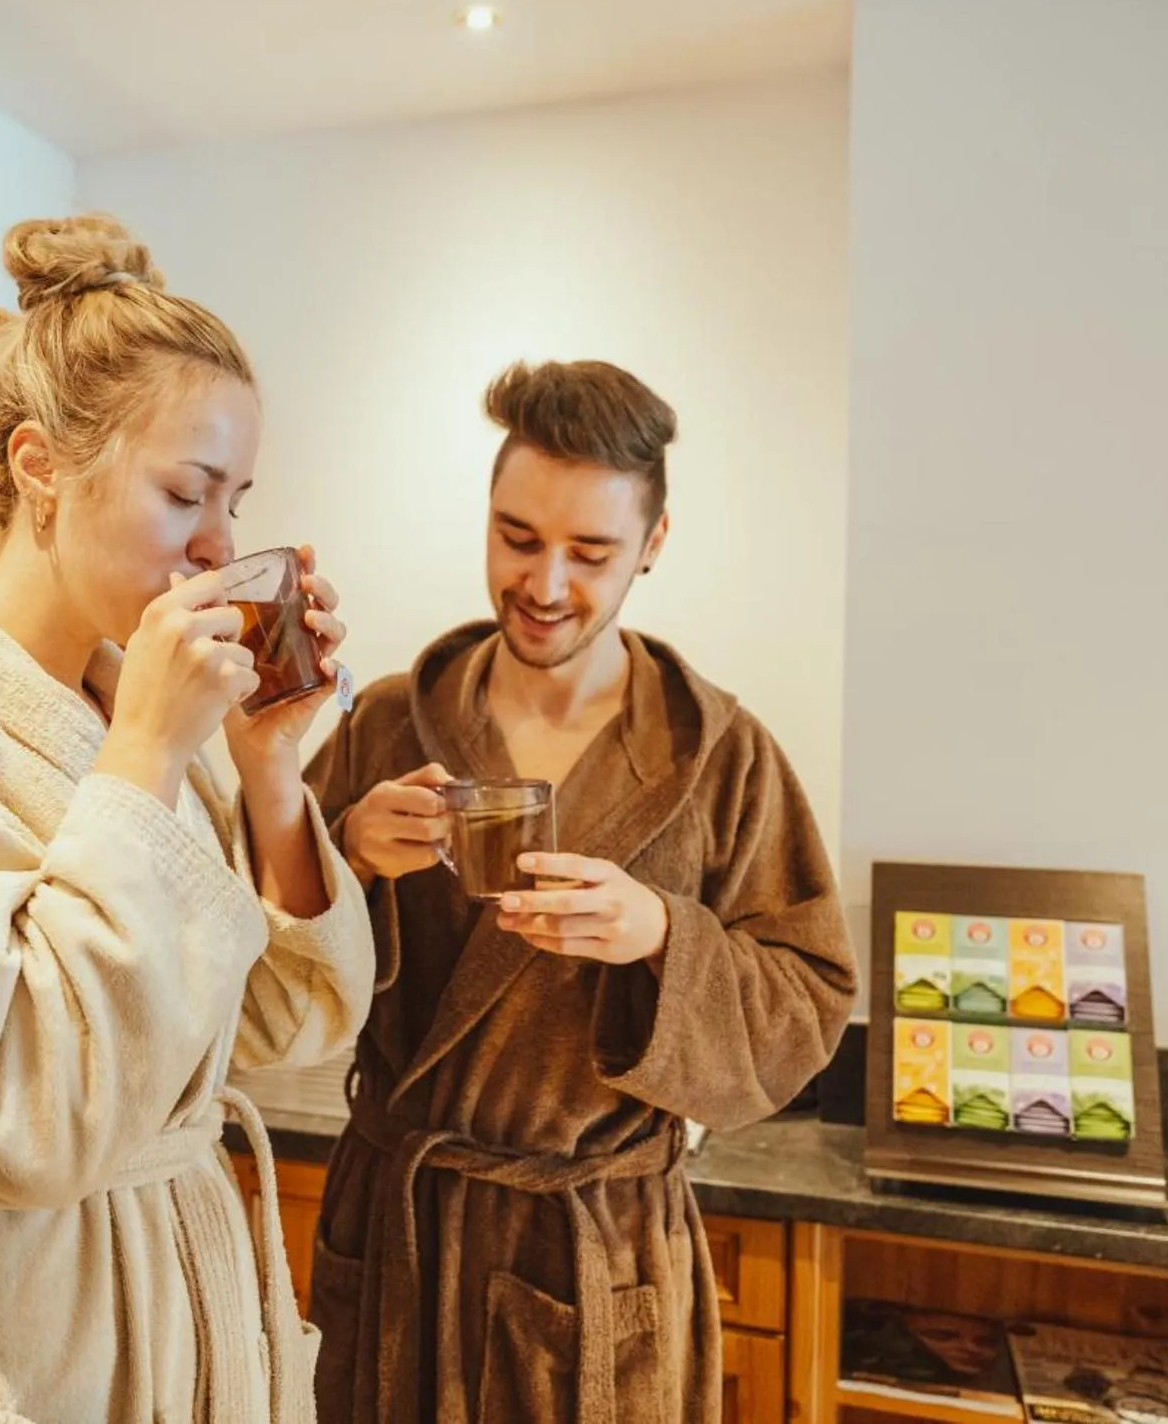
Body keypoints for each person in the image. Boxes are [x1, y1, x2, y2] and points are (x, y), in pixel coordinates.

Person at [0, 215, 374, 1424]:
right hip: (10, 1336)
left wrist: (266, 771)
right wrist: (145, 752)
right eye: (186, 492)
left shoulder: (138, 714)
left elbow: (287, 1026)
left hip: (192, 1290)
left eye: (236, 501)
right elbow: (25, 1120)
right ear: (41, 468)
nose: (219, 547)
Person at [305, 360, 857, 1423]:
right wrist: (347, 859)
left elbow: (808, 1004)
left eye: (589, 552)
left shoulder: (718, 757)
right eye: (517, 538)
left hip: (594, 1256)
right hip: (398, 1237)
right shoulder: (386, 724)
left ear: (652, 545)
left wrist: (662, 936)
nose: (545, 584)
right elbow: (267, 952)